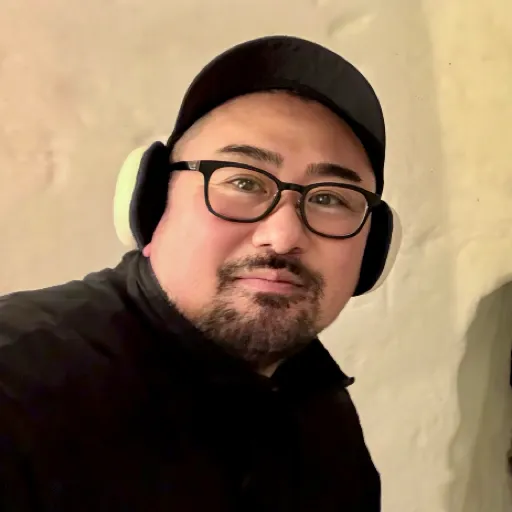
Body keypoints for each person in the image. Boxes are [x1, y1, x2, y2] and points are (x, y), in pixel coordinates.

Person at [0, 35, 400, 511]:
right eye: (243, 182)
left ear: (373, 249)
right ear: (151, 205)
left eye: (330, 198)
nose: (283, 236)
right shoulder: (17, 388)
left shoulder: (319, 409)